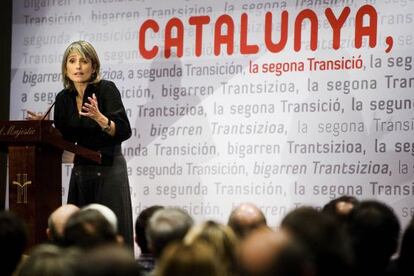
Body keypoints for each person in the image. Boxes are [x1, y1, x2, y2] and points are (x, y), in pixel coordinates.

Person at [52, 40, 133, 248]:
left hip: (109, 169)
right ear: (65, 68)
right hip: (81, 170)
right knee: (78, 234)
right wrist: (42, 129)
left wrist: (100, 118)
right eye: (72, 61)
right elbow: (65, 138)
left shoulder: (106, 89)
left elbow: (124, 130)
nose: (78, 66)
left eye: (84, 61)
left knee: (110, 232)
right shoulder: (63, 98)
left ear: (93, 66)